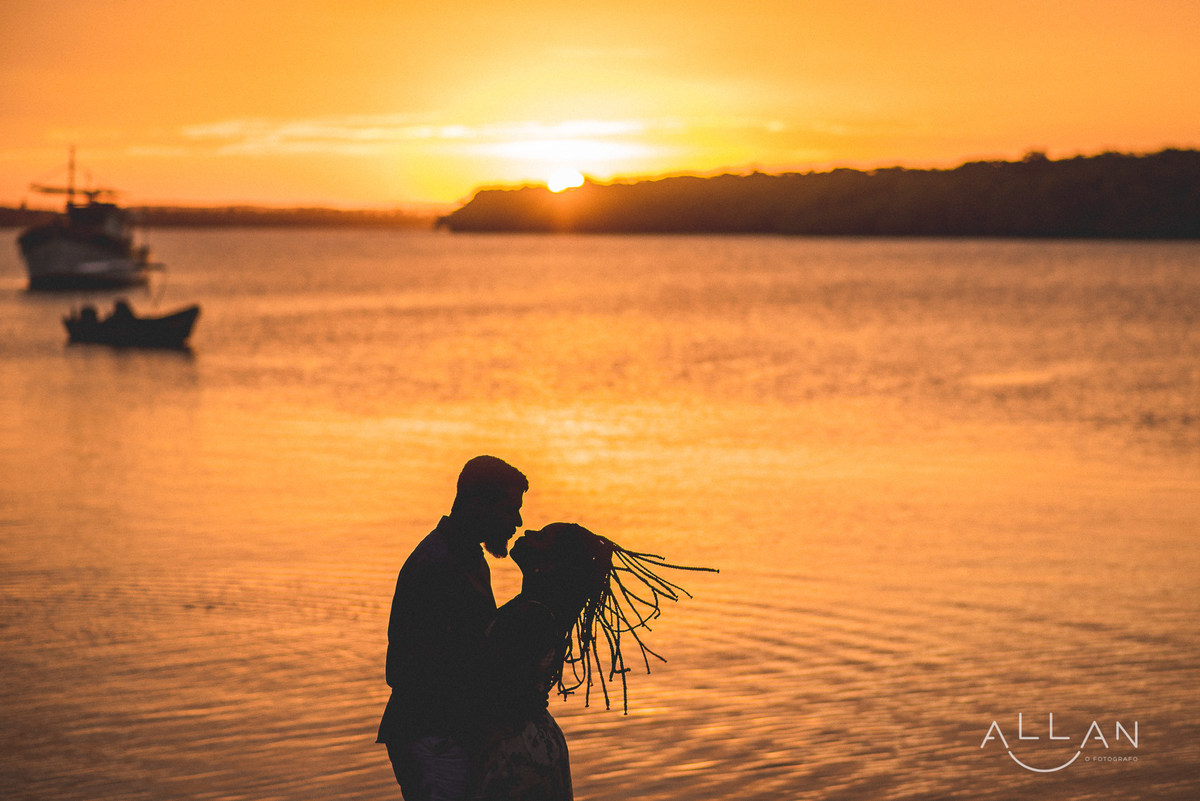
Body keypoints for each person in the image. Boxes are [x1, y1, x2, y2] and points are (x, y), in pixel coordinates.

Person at [472, 523, 716, 801]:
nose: (527, 533)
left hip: (515, 749)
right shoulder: (544, 611)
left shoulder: (530, 618)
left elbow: (497, 690)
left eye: (541, 536)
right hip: (534, 741)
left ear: (551, 564)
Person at [377, 455, 529, 801]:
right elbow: (419, 668)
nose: (518, 522)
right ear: (477, 505)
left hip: (444, 733)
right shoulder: (438, 565)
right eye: (510, 510)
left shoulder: (466, 557)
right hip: (432, 739)